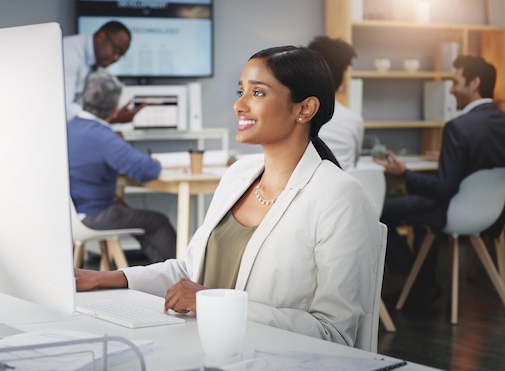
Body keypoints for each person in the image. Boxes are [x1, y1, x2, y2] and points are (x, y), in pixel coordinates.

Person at [75, 46, 382, 347]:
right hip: (202, 346)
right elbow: (188, 271)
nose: (239, 105)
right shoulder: (238, 174)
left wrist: (211, 302)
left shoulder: (340, 197)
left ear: (304, 109)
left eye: (258, 93)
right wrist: (105, 278)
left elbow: (334, 333)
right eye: (241, 91)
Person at [374, 55, 505, 304]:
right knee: (423, 212)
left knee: (376, 212)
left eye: (456, 82)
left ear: (474, 83)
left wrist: (405, 174)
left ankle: (413, 273)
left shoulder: (459, 126)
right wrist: (449, 158)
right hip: (493, 215)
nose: (452, 90)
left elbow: (444, 188)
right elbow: (485, 163)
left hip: (453, 210)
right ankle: (423, 283)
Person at [67, 69, 176, 263]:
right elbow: (145, 171)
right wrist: (155, 163)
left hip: (71, 215)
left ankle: (159, 272)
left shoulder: (70, 126)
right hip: (95, 215)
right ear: (115, 107)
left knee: (129, 212)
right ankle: (179, 277)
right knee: (158, 222)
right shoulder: (103, 136)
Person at [63, 21, 143, 122]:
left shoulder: (101, 62)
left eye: (121, 55)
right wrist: (109, 119)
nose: (116, 58)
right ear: (101, 37)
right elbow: (62, 108)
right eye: (116, 50)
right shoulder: (69, 53)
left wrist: (111, 115)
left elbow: (95, 107)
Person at [308, 35, 364, 170]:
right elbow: (354, 162)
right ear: (341, 77)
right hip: (344, 187)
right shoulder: (353, 121)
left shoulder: (294, 116)